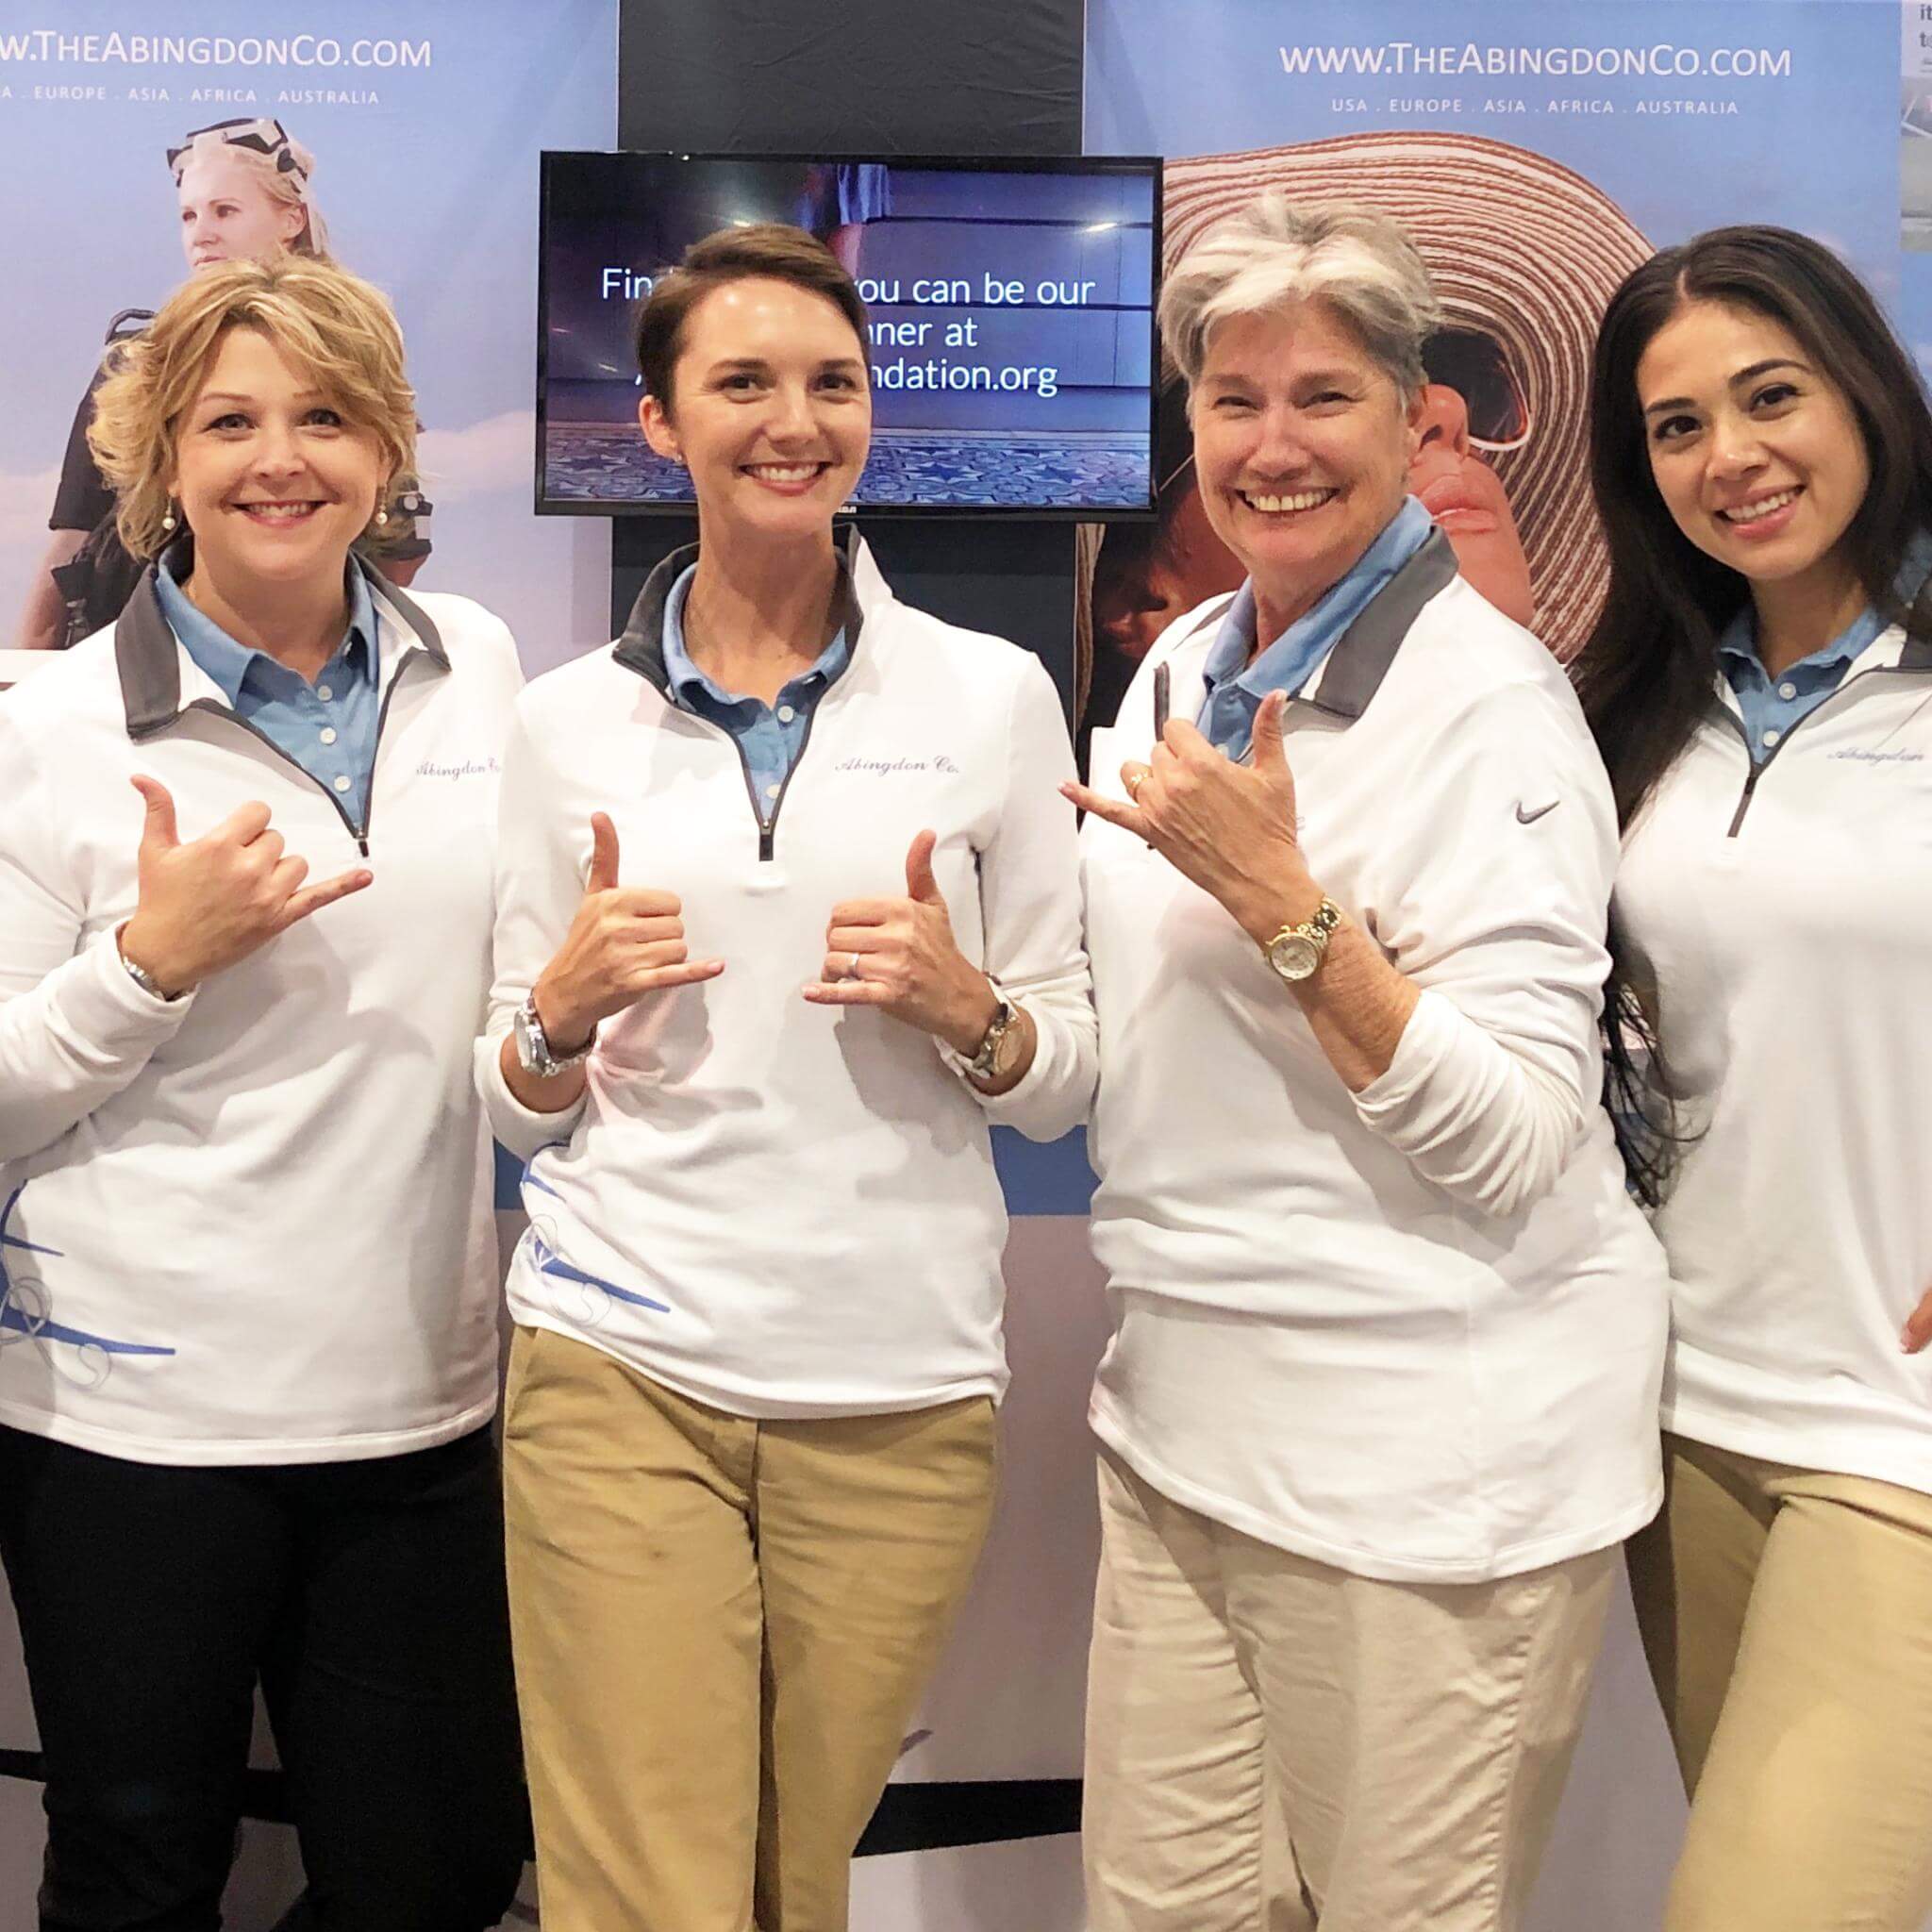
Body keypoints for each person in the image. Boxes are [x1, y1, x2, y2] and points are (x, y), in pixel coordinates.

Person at [480, 221, 1094, 1932]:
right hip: (620, 1357)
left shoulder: (991, 697)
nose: (792, 418)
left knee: (785, 1874)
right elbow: (504, 1086)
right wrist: (557, 1011)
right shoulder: (560, 724)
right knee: (646, 1888)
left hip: (894, 1383)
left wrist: (975, 1010)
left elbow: (1063, 1070)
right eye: (739, 381)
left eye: (832, 381)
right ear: (658, 424)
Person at [1065, 194, 1669, 1932]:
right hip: (1182, 1423)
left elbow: (1518, 1141)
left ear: (1417, 422)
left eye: (1320, 396)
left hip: (1425, 1471)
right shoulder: (1187, 661)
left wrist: (1288, 907)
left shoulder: (1488, 704)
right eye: (1228, 399)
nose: (1269, 446)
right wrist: (985, 1015)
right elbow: (1155, 1037)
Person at [0, 255, 525, 1932]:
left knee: (431, 1875)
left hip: (418, 1408)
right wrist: (143, 967)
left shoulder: (487, 667)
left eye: (324, 414)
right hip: (131, 1433)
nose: (277, 458)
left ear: (386, 448)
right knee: (141, 1870)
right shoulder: (48, 729)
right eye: (227, 421)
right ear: (160, 463)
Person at [1578, 224, 1932, 1932]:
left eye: (1768, 395)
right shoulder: (1642, 709)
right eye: (1673, 426)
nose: (1729, 457)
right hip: (1686, 1404)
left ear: (1862, 386)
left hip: (1903, 1427)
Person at [1082, 132, 1655, 746]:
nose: (1444, 410)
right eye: (1239, 403)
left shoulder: (1544, 734)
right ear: (1142, 602)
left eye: (1461, 374)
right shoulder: (1168, 687)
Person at [17, 117, 428, 651]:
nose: (202, 233)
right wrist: (27, 680)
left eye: (225, 210)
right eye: (189, 215)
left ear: (292, 218)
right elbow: (70, 539)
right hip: (134, 660)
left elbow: (398, 547)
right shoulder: (137, 366)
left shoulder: (357, 354)